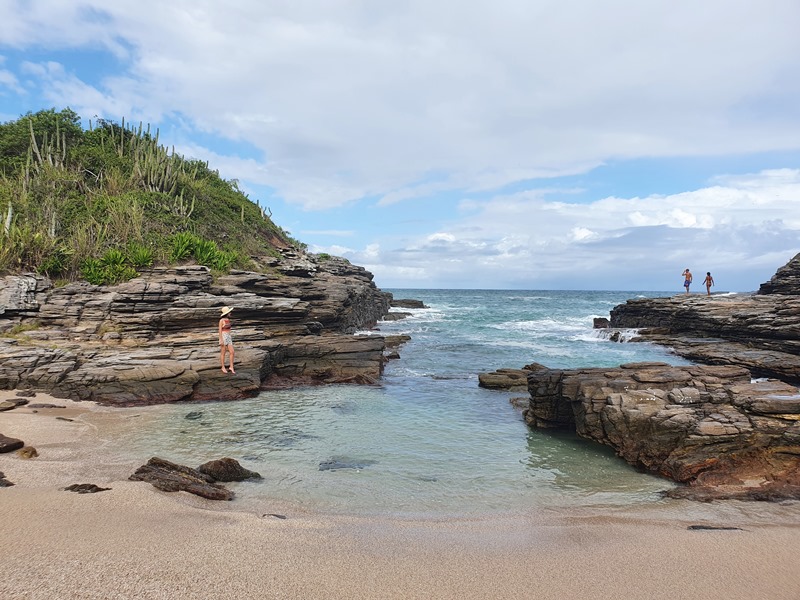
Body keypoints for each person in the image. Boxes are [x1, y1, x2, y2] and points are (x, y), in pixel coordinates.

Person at [218, 306, 235, 374]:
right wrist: (221, 339)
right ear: (227, 313)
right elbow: (220, 330)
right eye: (229, 312)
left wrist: (229, 336)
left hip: (228, 336)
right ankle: (223, 367)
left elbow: (229, 329)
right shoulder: (221, 321)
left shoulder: (228, 319)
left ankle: (231, 366)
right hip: (223, 336)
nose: (230, 313)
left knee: (232, 352)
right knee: (223, 353)